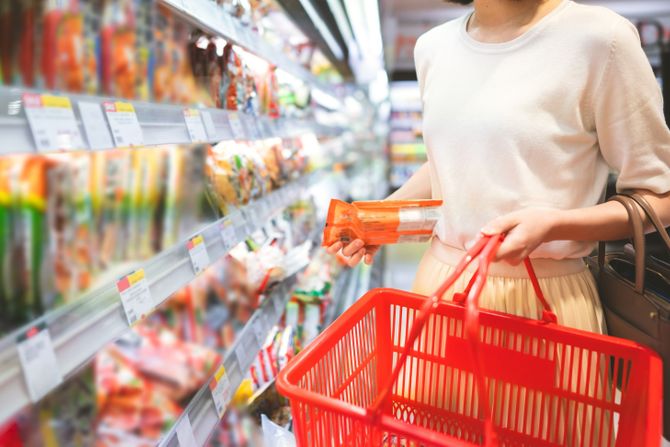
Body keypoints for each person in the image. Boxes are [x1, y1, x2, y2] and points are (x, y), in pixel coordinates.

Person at [327, 0, 670, 441]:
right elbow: (448, 162)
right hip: (443, 290)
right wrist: (380, 217)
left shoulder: (600, 40)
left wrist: (556, 225)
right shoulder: (433, 47)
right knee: (434, 431)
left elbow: (659, 197)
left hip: (546, 300)